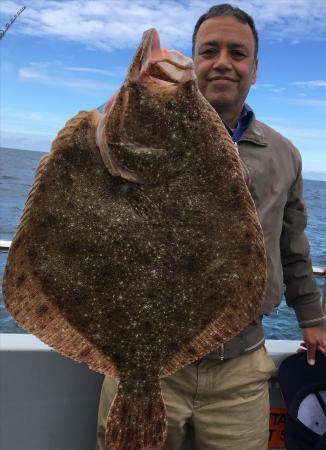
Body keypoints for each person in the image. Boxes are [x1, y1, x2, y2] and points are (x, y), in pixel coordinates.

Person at [96, 4, 326, 450]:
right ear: (196, 63)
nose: (223, 61)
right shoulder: (131, 133)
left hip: (239, 368)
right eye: (209, 51)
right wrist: (113, 120)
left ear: (254, 70)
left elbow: (291, 244)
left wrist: (312, 318)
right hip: (148, 358)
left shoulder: (285, 154)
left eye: (237, 53)